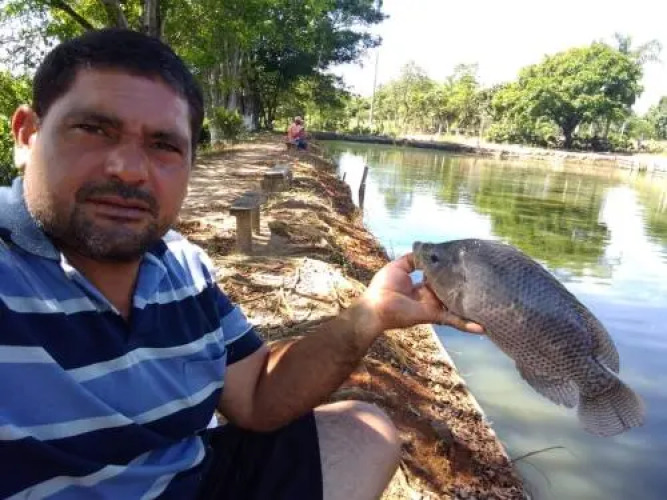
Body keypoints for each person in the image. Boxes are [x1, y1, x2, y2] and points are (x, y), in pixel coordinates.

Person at [0, 28, 483, 500]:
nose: (128, 169)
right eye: (94, 130)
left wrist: (370, 314)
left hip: (190, 478)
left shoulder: (183, 267)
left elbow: (256, 395)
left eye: (163, 145)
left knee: (365, 432)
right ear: (27, 135)